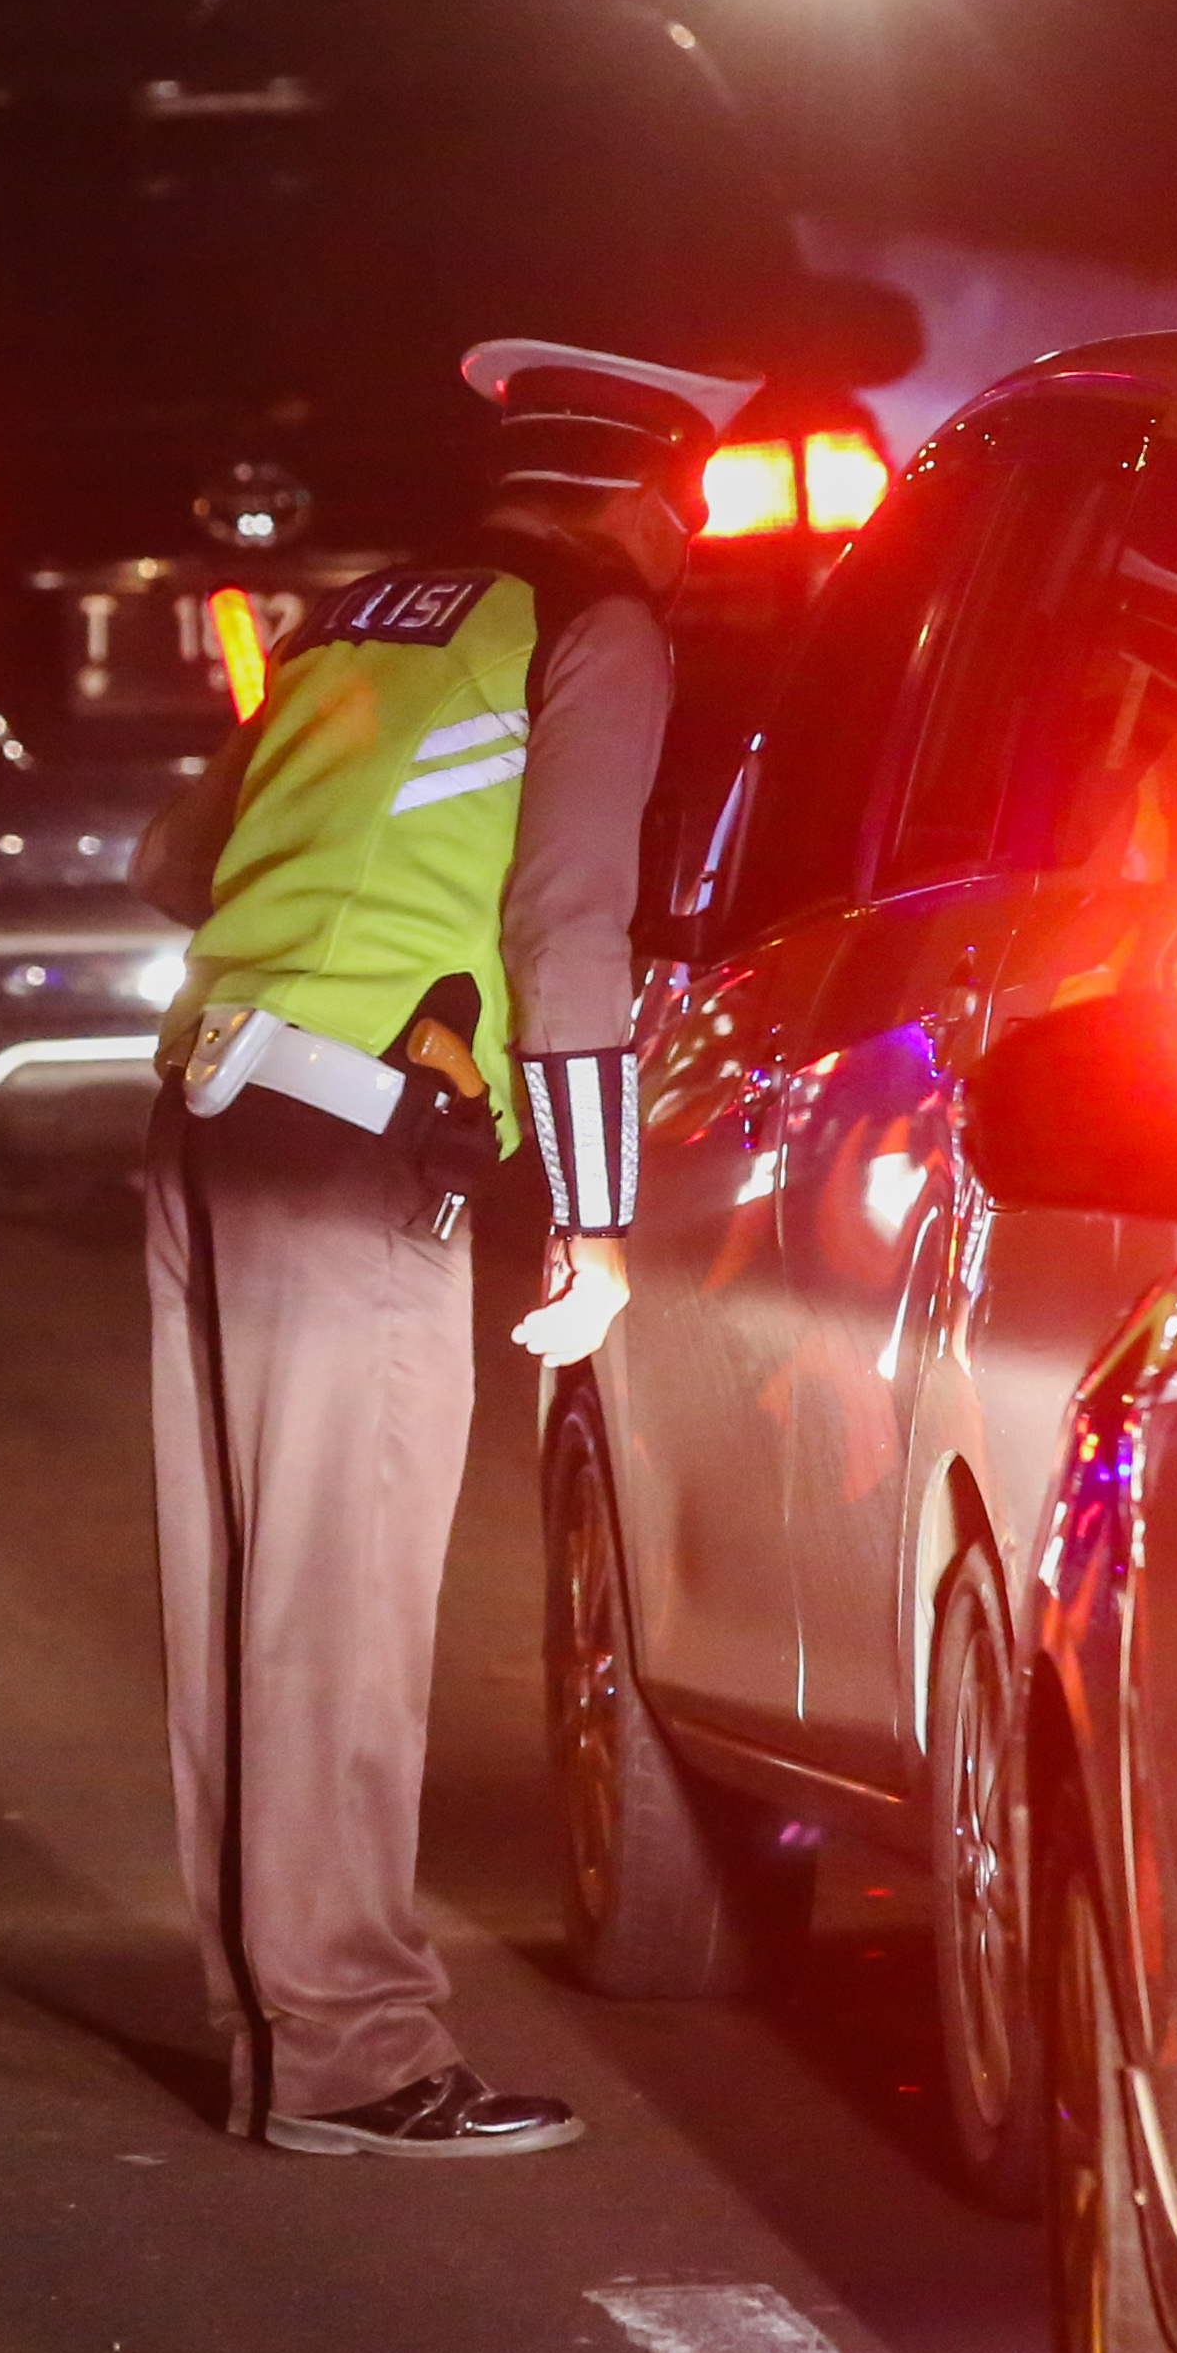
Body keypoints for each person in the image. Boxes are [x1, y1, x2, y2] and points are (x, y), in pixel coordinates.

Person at [125, 336, 750, 2159]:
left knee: (240, 1596)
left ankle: (272, 2034)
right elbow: (571, 933)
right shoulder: (599, 628)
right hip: (344, 1145)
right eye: (688, 514)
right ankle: (353, 2063)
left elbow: (179, 861)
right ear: (650, 495)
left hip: (206, 1107)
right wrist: (597, 1215)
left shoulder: (359, 618)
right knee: (340, 1609)